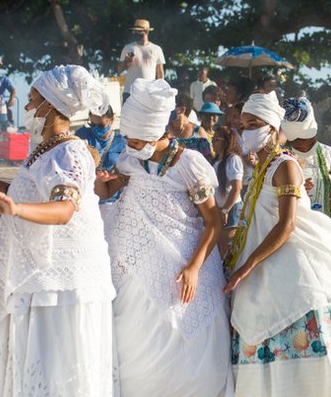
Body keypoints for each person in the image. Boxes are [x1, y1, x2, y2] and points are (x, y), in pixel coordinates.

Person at [222, 91, 331, 396]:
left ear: (273, 127)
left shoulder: (285, 165)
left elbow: (287, 224)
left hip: (294, 261)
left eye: (255, 123)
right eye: (244, 124)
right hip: (264, 259)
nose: (247, 130)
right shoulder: (262, 168)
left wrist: (247, 265)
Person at [0, 65, 115, 395]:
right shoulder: (46, 150)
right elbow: (35, 191)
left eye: (32, 100)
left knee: (55, 371)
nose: (26, 108)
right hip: (40, 281)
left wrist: (16, 210)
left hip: (60, 286)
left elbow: (65, 207)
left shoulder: (71, 151)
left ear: (50, 106)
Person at [94, 78, 232, 396]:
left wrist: (194, 269)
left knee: (187, 357)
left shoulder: (190, 165)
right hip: (135, 271)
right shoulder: (129, 160)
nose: (129, 142)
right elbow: (107, 191)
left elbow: (213, 223)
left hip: (186, 268)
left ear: (157, 131)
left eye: (135, 136)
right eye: (127, 135)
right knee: (134, 349)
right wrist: (97, 180)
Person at [282, 97, 331, 233]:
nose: (305, 149)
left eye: (310, 143)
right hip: (296, 226)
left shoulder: (328, 154)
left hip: (329, 223)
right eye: (299, 147)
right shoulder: (281, 158)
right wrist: (297, 190)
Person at [74, 104, 127, 224]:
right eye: (93, 125)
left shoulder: (121, 142)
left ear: (111, 120)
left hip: (111, 202)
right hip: (86, 199)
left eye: (101, 125)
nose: (96, 128)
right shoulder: (82, 135)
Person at [211, 126, 244, 260]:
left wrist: (225, 210)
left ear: (226, 142)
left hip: (231, 209)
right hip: (220, 208)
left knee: (227, 247)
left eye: (216, 139)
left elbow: (237, 188)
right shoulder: (216, 160)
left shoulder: (233, 159)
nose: (213, 142)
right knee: (220, 245)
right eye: (213, 139)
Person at [117, 19, 166, 100]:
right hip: (130, 91)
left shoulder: (156, 49)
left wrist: (161, 90)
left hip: (149, 92)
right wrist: (127, 61)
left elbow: (160, 71)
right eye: (134, 31)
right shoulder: (128, 48)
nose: (135, 33)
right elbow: (119, 70)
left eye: (138, 31)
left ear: (146, 31)